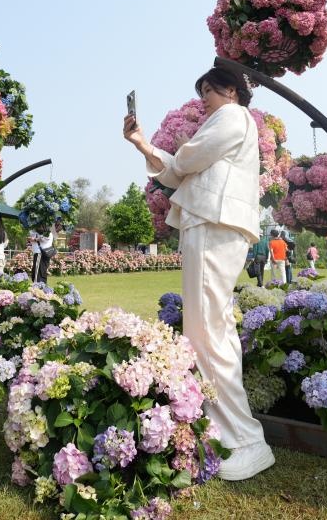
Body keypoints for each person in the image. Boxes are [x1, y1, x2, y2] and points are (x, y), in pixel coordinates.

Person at [122, 66, 274, 481]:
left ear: (232, 90)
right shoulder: (222, 124)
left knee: (208, 327)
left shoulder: (233, 115)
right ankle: (223, 428)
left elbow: (186, 160)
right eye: (202, 91)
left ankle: (246, 440)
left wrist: (177, 151)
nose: (204, 97)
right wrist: (142, 144)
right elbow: (175, 171)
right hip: (208, 221)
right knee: (205, 327)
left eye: (210, 89)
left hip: (215, 222)